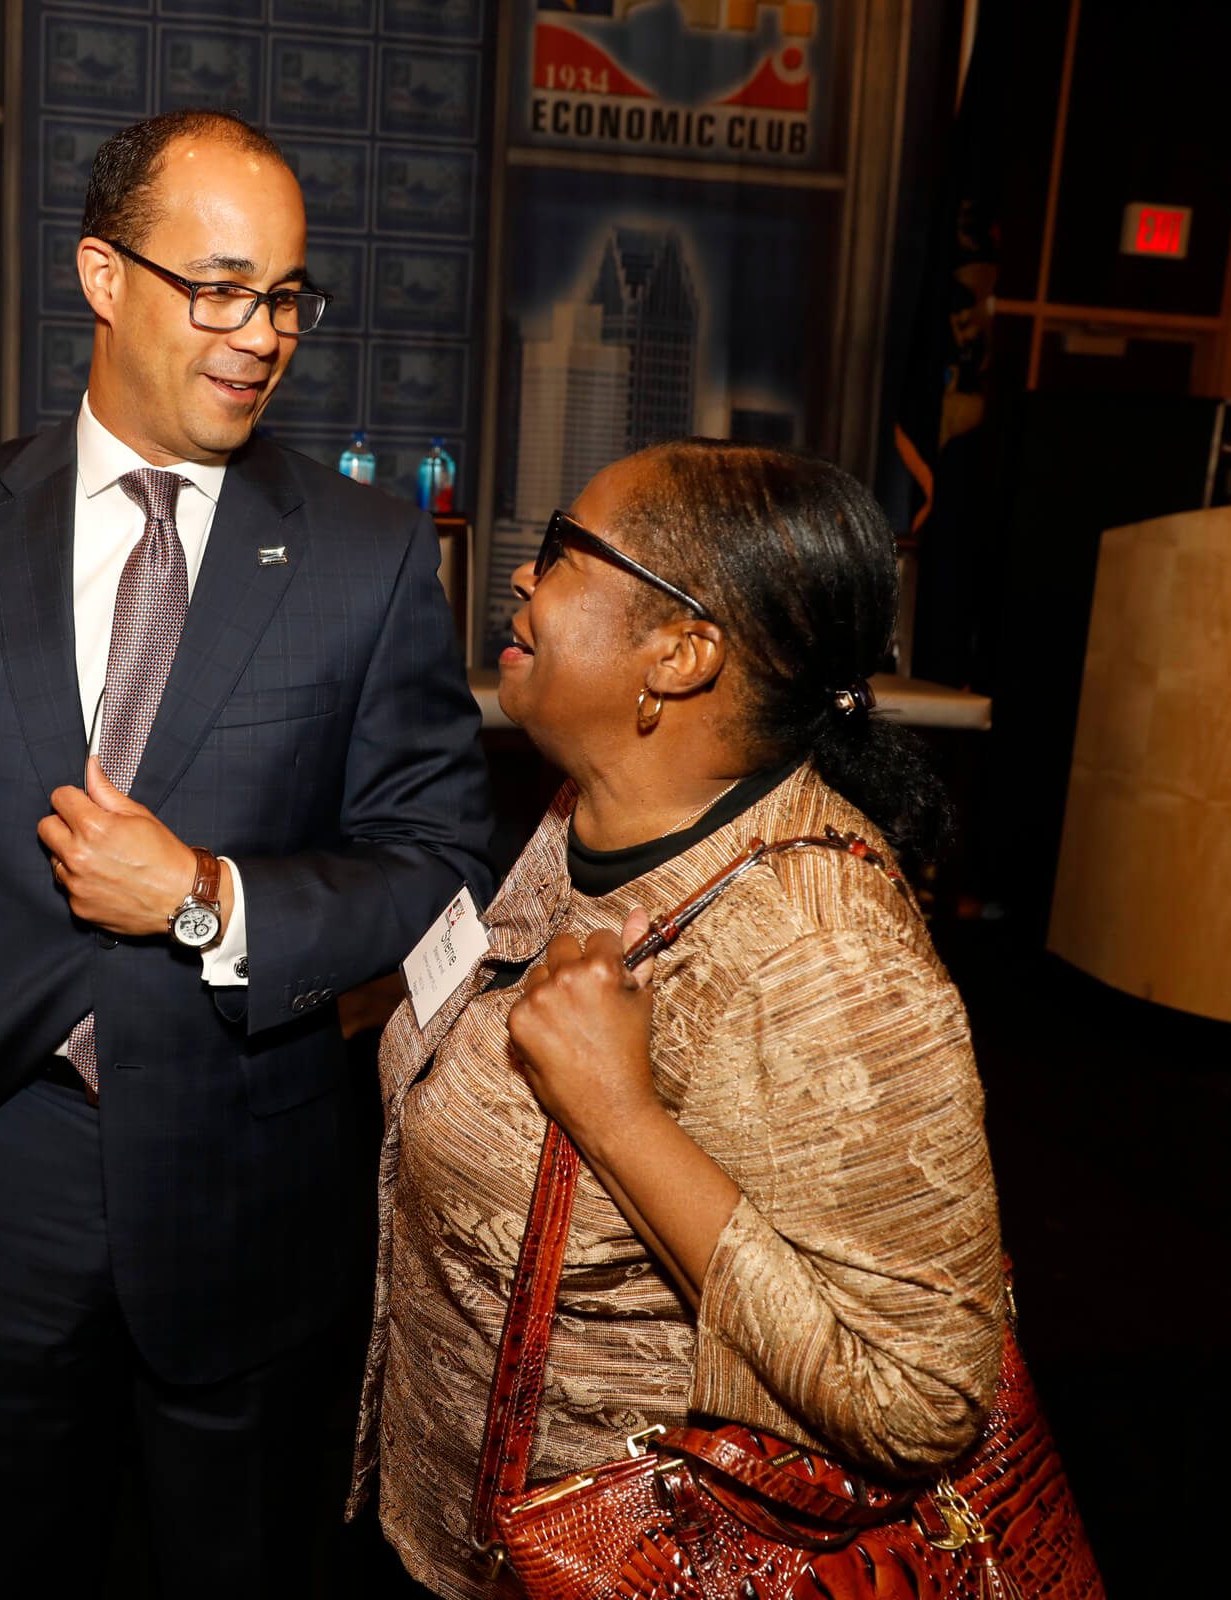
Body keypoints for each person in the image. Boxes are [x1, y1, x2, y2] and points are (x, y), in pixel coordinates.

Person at [0, 108, 493, 1592]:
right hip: (2, 1168)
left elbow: (442, 863)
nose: (263, 337)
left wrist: (208, 898)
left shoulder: (367, 556)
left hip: (249, 1177)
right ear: (103, 277)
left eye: (288, 298)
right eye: (222, 289)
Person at [354, 441, 1007, 1597]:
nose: (523, 575)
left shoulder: (823, 951)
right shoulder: (593, 809)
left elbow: (919, 1399)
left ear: (681, 652)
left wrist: (620, 1116)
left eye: (563, 550)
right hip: (462, 1528)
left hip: (641, 1562)